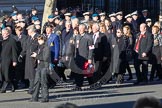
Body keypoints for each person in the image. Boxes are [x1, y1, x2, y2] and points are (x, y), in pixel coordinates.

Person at [29, 35, 51, 102]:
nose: (38, 41)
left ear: (43, 40)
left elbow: (45, 58)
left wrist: (37, 56)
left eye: (39, 39)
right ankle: (34, 97)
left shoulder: (46, 47)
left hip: (44, 66)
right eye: (38, 39)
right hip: (39, 66)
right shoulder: (39, 47)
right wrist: (35, 55)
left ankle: (45, 97)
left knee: (44, 82)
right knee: (36, 82)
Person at [19, 25, 39, 94]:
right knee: (30, 75)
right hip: (28, 58)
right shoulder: (29, 38)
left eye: (28, 30)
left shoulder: (38, 37)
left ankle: (33, 89)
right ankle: (31, 88)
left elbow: (41, 47)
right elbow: (25, 48)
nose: (27, 31)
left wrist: (37, 54)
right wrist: (21, 55)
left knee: (33, 74)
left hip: (35, 59)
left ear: (32, 30)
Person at [0, 28, 18, 93]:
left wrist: (14, 60)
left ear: (8, 33)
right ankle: (13, 84)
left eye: (5, 33)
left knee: (7, 74)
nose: (3, 35)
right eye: (2, 33)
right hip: (2, 59)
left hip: (8, 59)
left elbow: (14, 51)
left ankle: (4, 88)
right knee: (3, 74)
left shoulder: (12, 40)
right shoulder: (2, 41)